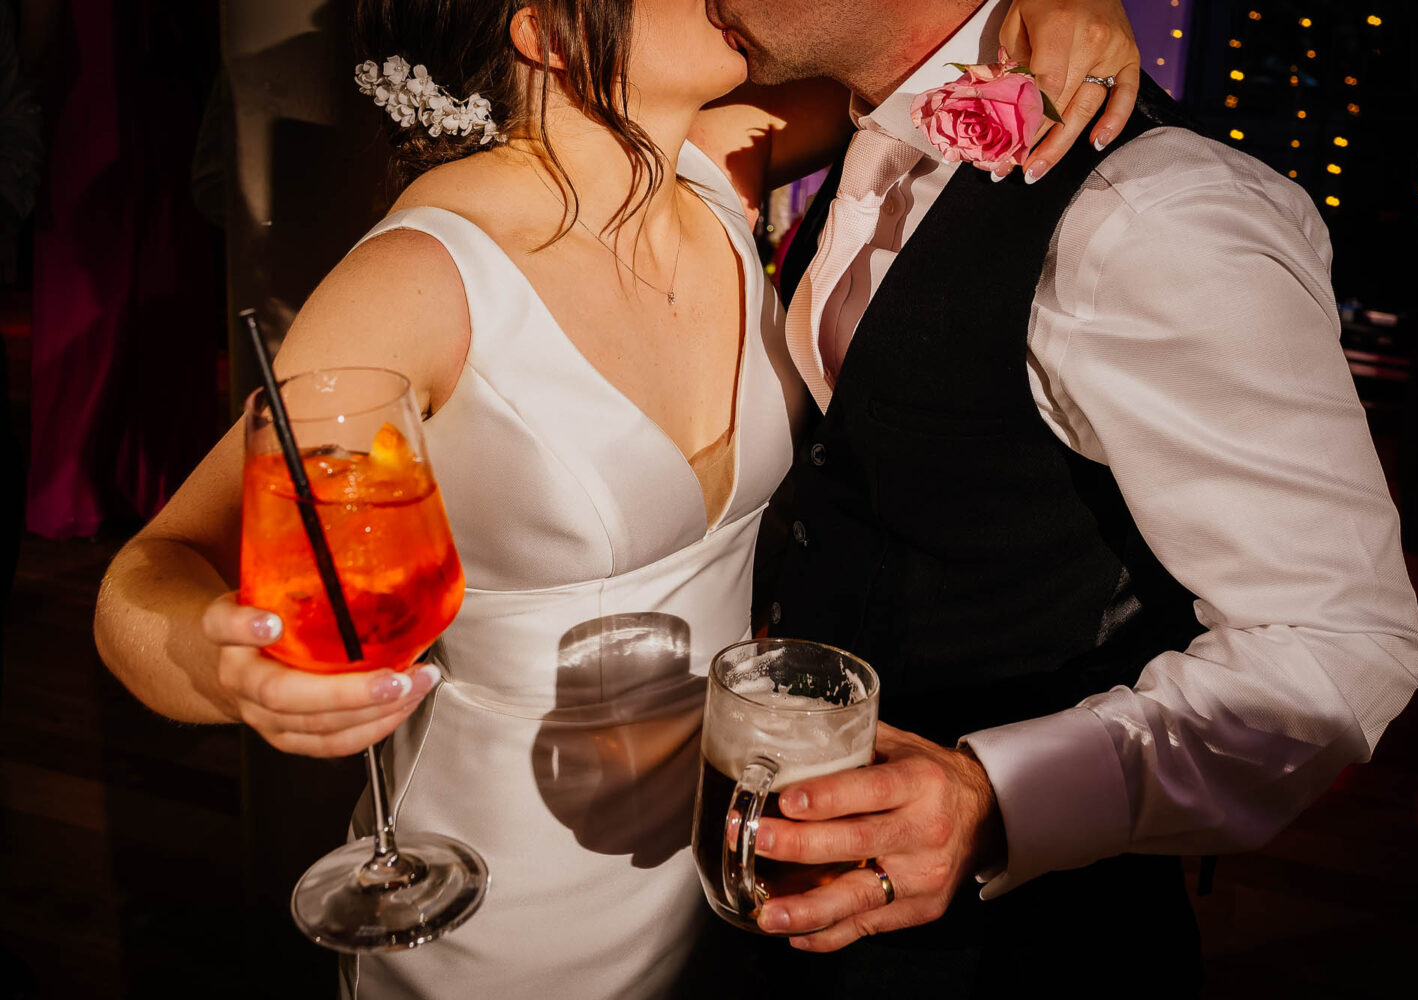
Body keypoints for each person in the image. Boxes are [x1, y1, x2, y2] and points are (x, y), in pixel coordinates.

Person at [92, 1, 1141, 996]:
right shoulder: (423, 279)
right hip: (506, 889)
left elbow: (913, 46)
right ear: (547, 29)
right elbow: (148, 573)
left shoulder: (721, 162)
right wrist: (235, 673)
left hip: (727, 852)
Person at [700, 0, 1418, 994]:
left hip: (1025, 946)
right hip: (804, 886)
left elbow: (1339, 645)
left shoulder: (1154, 217)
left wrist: (996, 800)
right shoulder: (864, 121)